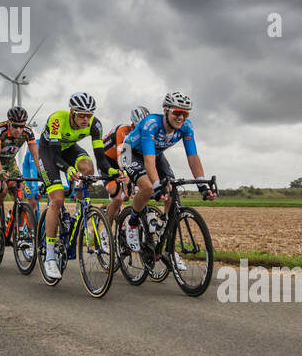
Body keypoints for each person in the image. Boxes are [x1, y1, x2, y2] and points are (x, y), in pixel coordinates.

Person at [121, 91, 216, 269]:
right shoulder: (151, 124)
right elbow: (149, 162)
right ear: (166, 110)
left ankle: (165, 233)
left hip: (156, 154)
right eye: (177, 113)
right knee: (148, 188)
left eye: (185, 113)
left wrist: (202, 185)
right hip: (132, 152)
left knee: (172, 193)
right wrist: (157, 186)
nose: (181, 117)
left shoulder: (186, 127)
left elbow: (193, 156)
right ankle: (132, 223)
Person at [37, 92, 114, 280]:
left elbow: (101, 158)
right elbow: (56, 157)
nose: (86, 119)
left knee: (88, 168)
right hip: (49, 152)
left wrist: (111, 172)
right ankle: (49, 256)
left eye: (89, 115)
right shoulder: (57, 120)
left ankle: (80, 210)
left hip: (69, 149)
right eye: (81, 115)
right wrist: (69, 169)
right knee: (57, 199)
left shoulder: (95, 125)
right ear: (72, 112)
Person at [0, 106, 44, 243]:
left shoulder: (28, 132)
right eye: (15, 126)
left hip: (10, 163)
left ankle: (21, 232)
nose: (18, 130)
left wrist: (43, 173)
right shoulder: (0, 130)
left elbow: (36, 155)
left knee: (20, 196)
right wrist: (0, 172)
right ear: (9, 122)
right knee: (2, 188)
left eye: (21, 126)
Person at [101, 106, 149, 251]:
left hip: (126, 160)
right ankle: (106, 233)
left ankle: (126, 227)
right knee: (118, 197)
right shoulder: (124, 131)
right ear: (133, 124)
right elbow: (122, 157)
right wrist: (127, 183)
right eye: (138, 127)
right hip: (108, 161)